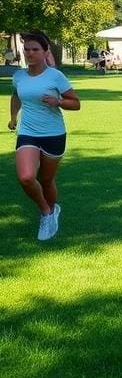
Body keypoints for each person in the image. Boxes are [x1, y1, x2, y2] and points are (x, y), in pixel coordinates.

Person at [8, 32, 80, 241]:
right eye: (27, 49)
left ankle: (53, 209)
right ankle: (46, 212)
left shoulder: (55, 76)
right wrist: (13, 118)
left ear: (45, 52)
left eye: (35, 50)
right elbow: (16, 96)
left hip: (53, 133)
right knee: (26, 177)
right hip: (28, 132)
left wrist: (58, 102)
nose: (30, 53)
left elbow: (75, 103)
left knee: (46, 180)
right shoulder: (19, 76)